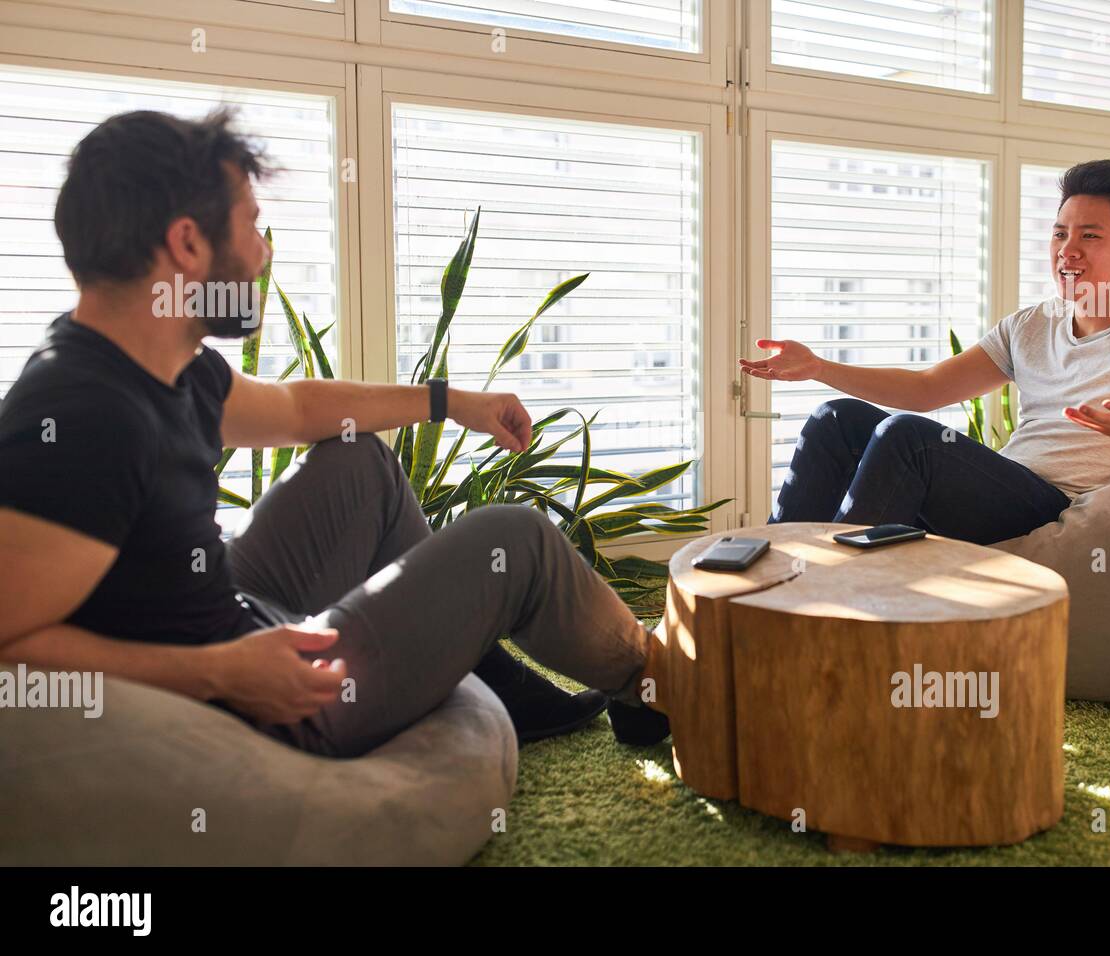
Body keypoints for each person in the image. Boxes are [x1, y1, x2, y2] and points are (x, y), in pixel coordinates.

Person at [0, 108, 669, 756]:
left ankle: (493, 677)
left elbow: (295, 410)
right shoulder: (84, 415)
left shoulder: (162, 363)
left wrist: (450, 401)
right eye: (252, 227)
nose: (264, 253)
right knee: (516, 539)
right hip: (258, 704)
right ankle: (665, 686)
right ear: (186, 243)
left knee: (360, 461)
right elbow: (9, 653)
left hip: (230, 610)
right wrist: (222, 671)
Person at [744, 159, 1110, 544]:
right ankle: (775, 569)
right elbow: (928, 388)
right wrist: (819, 367)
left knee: (910, 438)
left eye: (1089, 236)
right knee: (836, 418)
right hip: (1004, 482)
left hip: (1049, 506)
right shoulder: (1030, 325)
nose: (1067, 251)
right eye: (1059, 233)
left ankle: (830, 592)